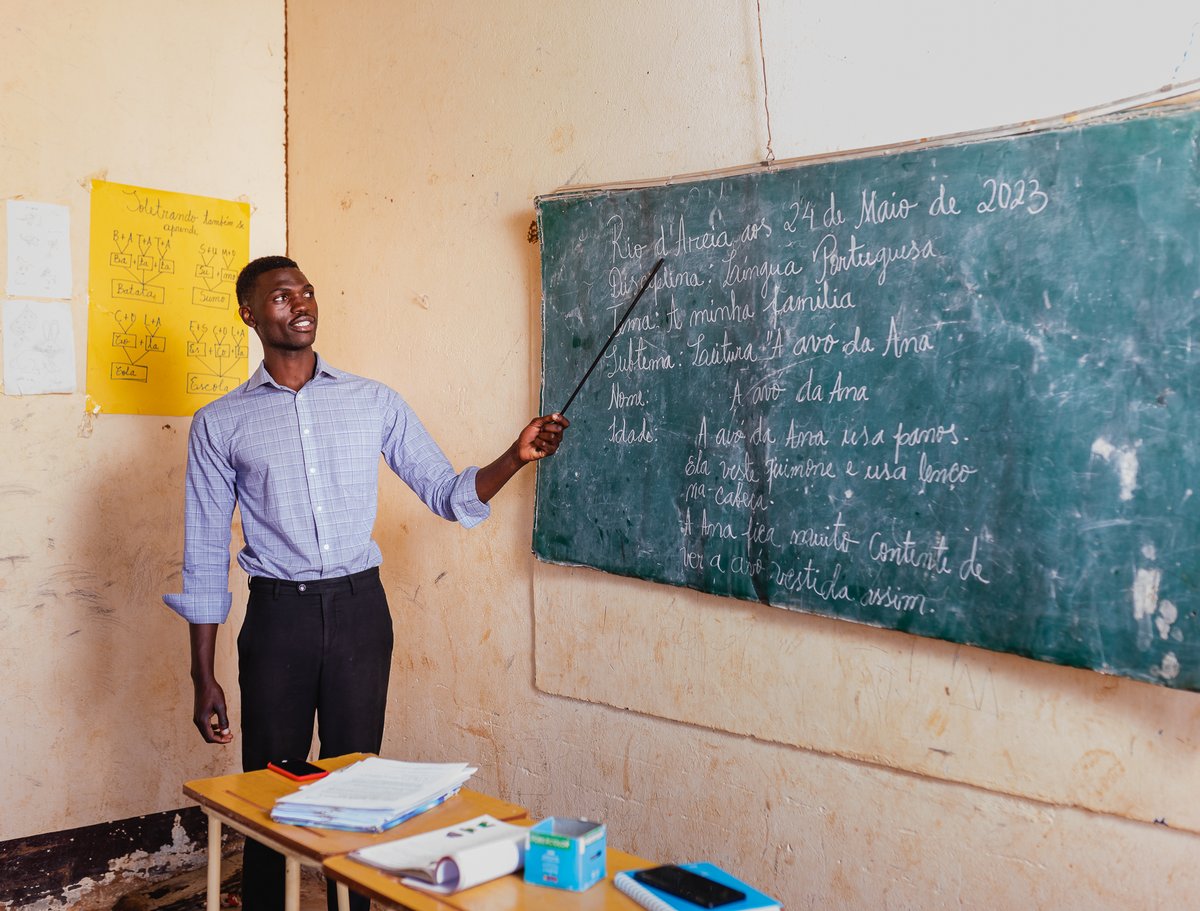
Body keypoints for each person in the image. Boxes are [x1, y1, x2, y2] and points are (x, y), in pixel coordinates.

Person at [163, 255, 568, 911]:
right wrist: (201, 673)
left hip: (359, 614)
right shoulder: (220, 422)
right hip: (277, 620)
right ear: (248, 314)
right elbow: (205, 550)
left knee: (357, 791)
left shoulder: (372, 401)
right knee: (268, 794)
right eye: (281, 296)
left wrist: (515, 456)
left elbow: (446, 492)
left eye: (307, 291)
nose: (301, 303)